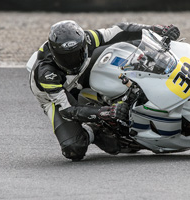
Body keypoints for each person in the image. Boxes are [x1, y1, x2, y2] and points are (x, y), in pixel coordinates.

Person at [29, 20, 180, 161]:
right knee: (74, 148)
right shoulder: (46, 74)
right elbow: (69, 110)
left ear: (83, 44)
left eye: (77, 53)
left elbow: (120, 30)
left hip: (83, 72)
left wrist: (158, 30)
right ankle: (95, 131)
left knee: (127, 45)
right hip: (56, 96)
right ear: (55, 55)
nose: (72, 61)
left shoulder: (87, 39)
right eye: (66, 58)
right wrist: (105, 112)